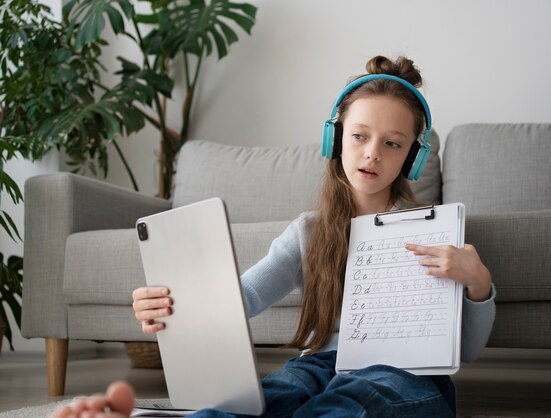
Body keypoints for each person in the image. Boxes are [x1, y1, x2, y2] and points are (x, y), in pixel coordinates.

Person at [52, 55, 495, 418]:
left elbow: (468, 351)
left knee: (353, 404)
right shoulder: (308, 231)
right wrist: (171, 304)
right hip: (321, 363)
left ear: (413, 159)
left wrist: (478, 284)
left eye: (393, 144)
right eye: (359, 136)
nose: (372, 153)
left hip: (406, 372)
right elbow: (239, 296)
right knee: (267, 397)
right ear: (335, 140)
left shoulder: (434, 234)